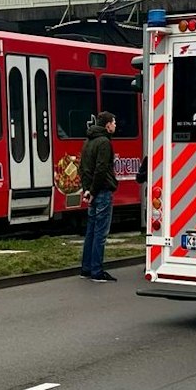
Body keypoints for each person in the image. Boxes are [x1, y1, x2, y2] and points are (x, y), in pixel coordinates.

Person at [79, 110, 119, 281]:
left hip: (92, 191)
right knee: (100, 233)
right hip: (102, 191)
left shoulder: (88, 141)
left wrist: (87, 190)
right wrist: (94, 191)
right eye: (114, 122)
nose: (115, 125)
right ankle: (97, 271)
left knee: (91, 231)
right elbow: (101, 169)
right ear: (107, 125)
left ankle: (86, 269)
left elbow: (83, 168)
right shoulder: (104, 142)